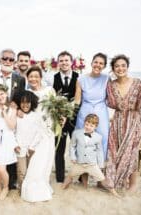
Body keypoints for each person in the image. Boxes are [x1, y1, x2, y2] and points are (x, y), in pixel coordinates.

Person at [0, 49, 25, 189]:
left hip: (9, 118)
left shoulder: (20, 79)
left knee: (9, 154)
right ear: (0, 60)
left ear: (14, 63)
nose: (8, 61)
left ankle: (10, 183)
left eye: (11, 59)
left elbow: (19, 98)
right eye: (5, 58)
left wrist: (17, 108)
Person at [105, 55, 141, 194]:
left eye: (123, 65)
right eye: (117, 66)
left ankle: (133, 183)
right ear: (113, 69)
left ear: (127, 67)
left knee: (132, 152)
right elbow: (107, 102)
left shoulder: (138, 83)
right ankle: (116, 180)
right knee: (114, 152)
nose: (120, 68)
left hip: (134, 121)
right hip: (117, 121)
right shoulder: (111, 85)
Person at [21, 67, 55, 202]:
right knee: (35, 157)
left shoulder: (49, 90)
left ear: (41, 77)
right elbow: (21, 106)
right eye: (31, 76)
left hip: (47, 128)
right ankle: (32, 186)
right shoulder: (27, 92)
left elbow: (55, 108)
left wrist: (61, 117)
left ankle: (43, 183)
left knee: (46, 158)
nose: (33, 79)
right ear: (27, 78)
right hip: (33, 128)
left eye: (36, 76)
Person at [75, 53, 109, 159]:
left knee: (102, 138)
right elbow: (77, 100)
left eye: (101, 63)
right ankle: (83, 168)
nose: (98, 65)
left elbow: (112, 98)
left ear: (104, 66)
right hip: (85, 112)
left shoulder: (107, 79)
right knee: (83, 139)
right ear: (91, 63)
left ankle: (99, 169)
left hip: (101, 112)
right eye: (96, 62)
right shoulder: (81, 79)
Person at [53, 51, 79, 183]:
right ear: (58, 63)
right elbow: (51, 98)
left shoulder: (79, 77)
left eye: (66, 60)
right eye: (61, 60)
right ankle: (59, 177)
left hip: (75, 119)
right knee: (59, 148)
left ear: (71, 62)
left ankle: (80, 176)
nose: (64, 63)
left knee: (78, 147)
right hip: (59, 120)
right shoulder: (53, 78)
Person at [62, 114, 105, 190]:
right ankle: (63, 188)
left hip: (92, 163)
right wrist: (73, 157)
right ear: (84, 123)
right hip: (79, 161)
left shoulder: (98, 137)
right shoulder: (76, 133)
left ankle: (114, 192)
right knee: (70, 176)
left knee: (102, 178)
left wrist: (100, 164)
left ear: (96, 127)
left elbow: (100, 151)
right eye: (86, 124)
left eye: (91, 126)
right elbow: (72, 146)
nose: (88, 127)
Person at [12, 91, 40, 193]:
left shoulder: (35, 116)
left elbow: (39, 133)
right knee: (21, 171)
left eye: (28, 102)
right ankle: (22, 189)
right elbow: (12, 132)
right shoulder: (16, 115)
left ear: (32, 103)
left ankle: (29, 189)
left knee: (30, 171)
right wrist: (15, 144)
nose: (25, 105)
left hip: (32, 148)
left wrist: (32, 147)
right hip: (19, 148)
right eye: (22, 102)